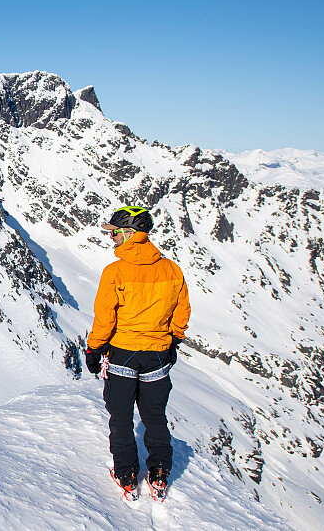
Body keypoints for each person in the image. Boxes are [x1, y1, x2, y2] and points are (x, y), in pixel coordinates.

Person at [84, 206, 190, 500]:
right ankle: (159, 473)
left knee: (120, 418)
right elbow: (182, 312)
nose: (111, 238)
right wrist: (173, 340)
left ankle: (127, 474)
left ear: (130, 234)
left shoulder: (115, 272)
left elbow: (105, 318)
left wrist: (94, 348)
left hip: (123, 354)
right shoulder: (172, 270)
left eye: (115, 233)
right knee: (155, 416)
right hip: (158, 354)